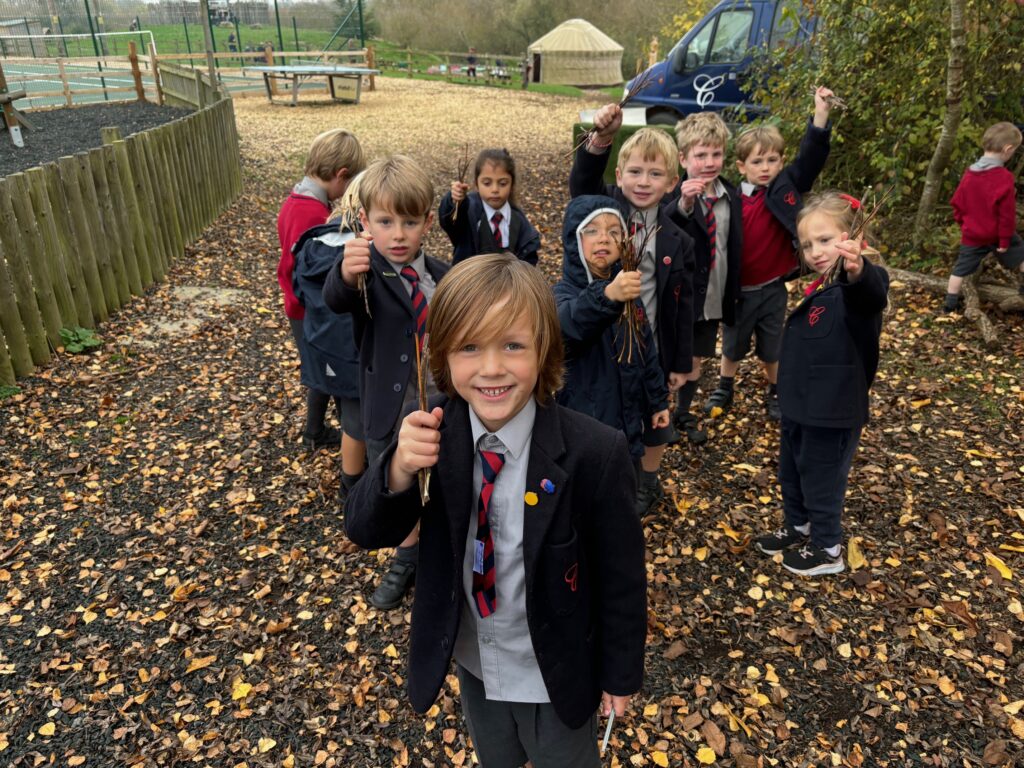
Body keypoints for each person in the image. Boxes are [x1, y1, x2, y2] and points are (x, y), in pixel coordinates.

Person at [344, 254, 647, 767]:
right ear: (441, 355)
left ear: (544, 349)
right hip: (475, 660)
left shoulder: (595, 452)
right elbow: (365, 528)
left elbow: (621, 575)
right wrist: (397, 468)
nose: (491, 369)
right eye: (469, 347)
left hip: (552, 671)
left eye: (512, 345)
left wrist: (620, 674)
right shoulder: (433, 435)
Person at [323, 155, 449, 610]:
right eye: (385, 221)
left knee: (440, 481)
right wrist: (345, 271)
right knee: (398, 485)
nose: (397, 234)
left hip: (440, 401)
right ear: (365, 221)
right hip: (389, 409)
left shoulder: (441, 274)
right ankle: (405, 556)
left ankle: (438, 552)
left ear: (427, 222)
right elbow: (335, 299)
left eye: (410, 222)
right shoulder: (365, 272)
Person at [754, 192, 889, 575]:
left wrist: (857, 268)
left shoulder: (858, 284)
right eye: (807, 244)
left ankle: (827, 547)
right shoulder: (818, 287)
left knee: (822, 476)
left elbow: (871, 293)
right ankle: (799, 524)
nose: (815, 251)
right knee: (792, 469)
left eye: (826, 240)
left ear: (854, 238)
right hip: (800, 405)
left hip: (832, 409)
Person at [569, 116, 696, 514]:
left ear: (672, 182)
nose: (643, 182)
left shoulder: (679, 239)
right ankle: (613, 476)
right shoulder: (605, 214)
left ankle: (648, 481)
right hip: (608, 338)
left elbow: (685, 304)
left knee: (655, 417)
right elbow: (582, 187)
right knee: (616, 414)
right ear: (619, 176)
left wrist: (680, 360)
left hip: (653, 341)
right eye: (635, 172)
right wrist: (600, 142)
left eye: (655, 173)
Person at [710, 87, 835, 421]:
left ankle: (775, 388)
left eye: (772, 160)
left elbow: (810, 158)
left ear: (781, 162)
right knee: (733, 343)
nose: (765, 167)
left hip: (772, 287)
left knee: (773, 343)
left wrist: (820, 116)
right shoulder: (731, 199)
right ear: (741, 165)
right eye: (757, 161)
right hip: (739, 291)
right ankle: (725, 384)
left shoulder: (784, 189)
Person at [554, 195, 670, 466]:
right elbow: (566, 327)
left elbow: (646, 351)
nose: (603, 238)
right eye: (591, 230)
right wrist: (607, 296)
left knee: (625, 481)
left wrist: (657, 400)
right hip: (586, 424)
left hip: (628, 421)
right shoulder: (562, 295)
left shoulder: (630, 295)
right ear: (574, 240)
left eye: (614, 231)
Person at [277, 128, 365, 450]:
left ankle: (315, 430)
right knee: (326, 369)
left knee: (320, 368)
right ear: (341, 176)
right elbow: (310, 267)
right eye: (349, 183)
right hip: (307, 309)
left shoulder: (294, 200)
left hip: (297, 303)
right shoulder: (313, 214)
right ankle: (339, 436)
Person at [291, 174, 369, 500]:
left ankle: (349, 480)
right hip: (354, 354)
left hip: (323, 347)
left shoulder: (313, 244)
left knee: (349, 416)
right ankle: (354, 487)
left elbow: (298, 289)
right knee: (358, 424)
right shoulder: (362, 254)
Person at [670, 112, 742, 444]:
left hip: (710, 295)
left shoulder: (731, 195)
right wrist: (684, 204)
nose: (709, 162)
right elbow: (663, 226)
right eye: (701, 155)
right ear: (684, 157)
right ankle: (659, 411)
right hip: (678, 295)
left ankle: (682, 412)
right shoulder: (674, 193)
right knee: (670, 357)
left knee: (695, 358)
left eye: (716, 154)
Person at [942, 121, 1024, 312]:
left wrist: (965, 225)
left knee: (960, 270)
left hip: (972, 235)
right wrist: (1004, 241)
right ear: (1008, 149)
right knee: (1022, 255)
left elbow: (957, 203)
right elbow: (1006, 216)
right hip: (996, 235)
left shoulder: (970, 174)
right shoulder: (1004, 177)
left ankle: (949, 304)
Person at [438, 148, 541, 266]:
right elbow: (449, 220)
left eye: (503, 183)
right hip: (470, 283)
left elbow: (529, 263)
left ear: (512, 184)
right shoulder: (467, 213)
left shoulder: (521, 224)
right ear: (476, 183)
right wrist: (454, 201)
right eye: (487, 183)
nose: (495, 190)